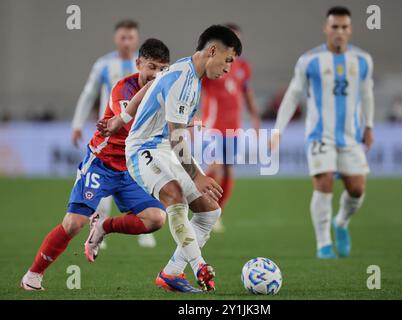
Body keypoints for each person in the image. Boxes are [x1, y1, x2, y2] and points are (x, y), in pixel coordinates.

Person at [99, 25, 242, 292]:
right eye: (228, 60)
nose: (228, 69)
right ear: (213, 51)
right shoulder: (184, 79)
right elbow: (177, 137)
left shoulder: (186, 70)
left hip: (164, 149)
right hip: (143, 150)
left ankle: (171, 273)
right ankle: (199, 265)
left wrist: (122, 118)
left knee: (211, 211)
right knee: (175, 197)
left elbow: (149, 88)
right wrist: (197, 175)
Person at [20, 38, 171, 291]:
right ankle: (33, 274)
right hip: (101, 163)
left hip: (130, 169)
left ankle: (103, 226)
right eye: (152, 67)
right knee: (74, 223)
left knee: (156, 218)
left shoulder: (166, 92)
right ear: (138, 64)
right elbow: (133, 124)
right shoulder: (123, 89)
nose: (156, 74)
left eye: (162, 70)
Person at [271, 6, 374, 259]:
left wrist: (368, 125)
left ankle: (341, 222)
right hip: (319, 135)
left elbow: (367, 93)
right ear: (326, 29)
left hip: (350, 137)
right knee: (324, 182)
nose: (339, 32)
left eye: (344, 27)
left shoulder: (362, 60)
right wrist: (278, 130)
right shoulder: (310, 61)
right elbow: (293, 94)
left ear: (350, 30)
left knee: (357, 190)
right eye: (335, 27)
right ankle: (323, 244)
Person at [71, 19, 156, 248]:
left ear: (136, 39)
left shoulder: (147, 65)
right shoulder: (104, 65)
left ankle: (144, 230)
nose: (126, 41)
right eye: (122, 37)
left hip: (139, 133)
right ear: (115, 39)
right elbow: (89, 94)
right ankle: (99, 225)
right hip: (110, 131)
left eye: (130, 37)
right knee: (105, 177)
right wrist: (77, 124)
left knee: (142, 176)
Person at [201, 23, 260, 233]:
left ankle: (217, 211)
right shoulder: (211, 64)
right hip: (212, 127)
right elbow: (197, 89)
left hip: (233, 128)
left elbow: (247, 93)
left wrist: (255, 118)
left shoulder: (243, 67)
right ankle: (203, 206)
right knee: (215, 167)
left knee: (227, 170)